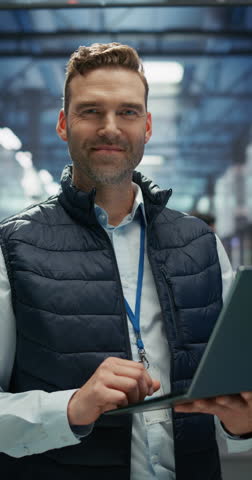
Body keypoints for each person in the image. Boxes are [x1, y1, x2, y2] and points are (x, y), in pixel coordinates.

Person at [0, 42, 251, 480]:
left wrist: (242, 422)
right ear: (63, 123)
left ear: (148, 125)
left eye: (128, 112)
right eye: (91, 111)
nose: (110, 128)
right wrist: (71, 408)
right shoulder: (13, 248)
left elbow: (234, 391)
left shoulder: (200, 244)